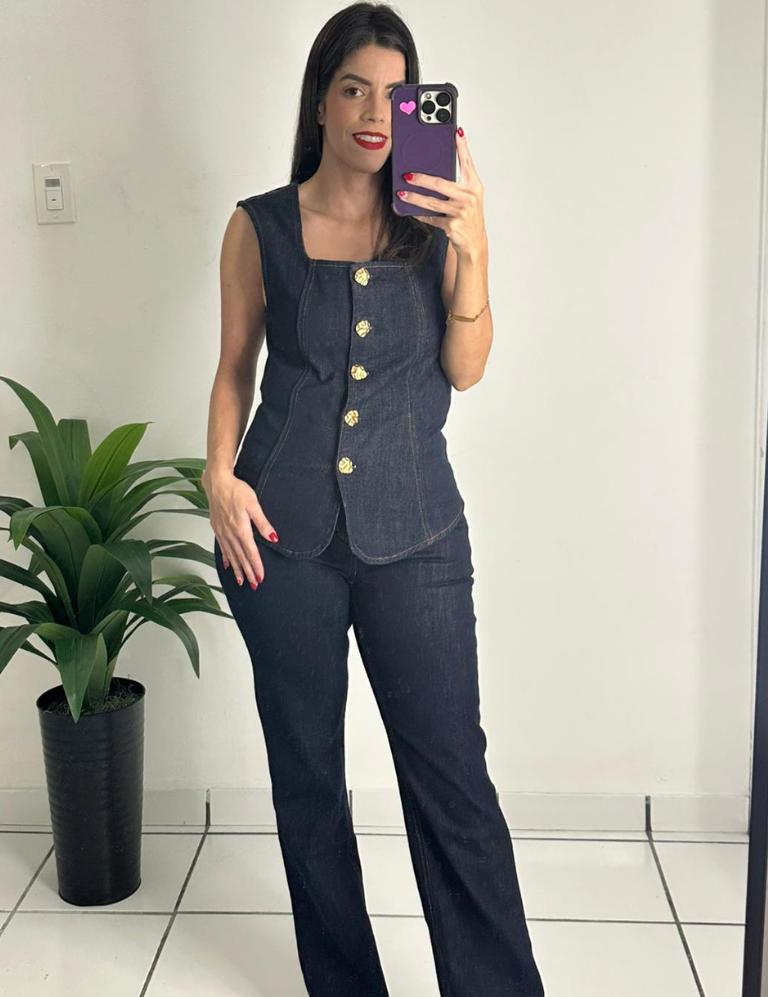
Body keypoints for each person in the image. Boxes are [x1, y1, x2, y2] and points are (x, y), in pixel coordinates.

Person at [202, 4, 545, 995]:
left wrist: (475, 247)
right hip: (279, 538)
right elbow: (234, 367)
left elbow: (466, 370)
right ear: (321, 100)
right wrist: (218, 474)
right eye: (354, 88)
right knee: (307, 777)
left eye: (396, 96)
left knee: (453, 780)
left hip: (419, 532)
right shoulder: (258, 225)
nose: (373, 112)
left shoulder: (434, 224)